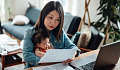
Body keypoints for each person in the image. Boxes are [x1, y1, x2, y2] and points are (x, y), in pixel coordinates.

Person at [23, 1, 81, 69]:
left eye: (58, 19)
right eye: (50, 17)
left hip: (59, 67)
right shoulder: (30, 32)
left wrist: (73, 55)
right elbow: (27, 56)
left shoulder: (60, 32)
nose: (53, 23)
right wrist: (53, 60)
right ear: (43, 16)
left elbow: (73, 48)